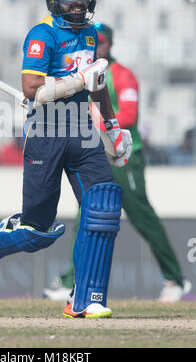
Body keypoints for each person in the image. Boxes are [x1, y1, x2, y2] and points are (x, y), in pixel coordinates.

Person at [0, 0, 132, 318]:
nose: (76, 3)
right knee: (37, 230)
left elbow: (96, 82)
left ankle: (86, 298)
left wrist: (113, 126)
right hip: (46, 133)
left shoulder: (89, 33)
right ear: (55, 0)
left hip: (83, 132)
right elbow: (31, 89)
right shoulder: (42, 35)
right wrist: (77, 79)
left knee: (102, 207)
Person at [43, 22, 192, 303]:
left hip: (125, 156)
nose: (92, 47)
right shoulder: (77, 75)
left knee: (142, 218)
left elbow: (129, 115)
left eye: (98, 42)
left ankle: (175, 279)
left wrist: (93, 120)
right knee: (85, 216)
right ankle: (72, 280)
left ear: (108, 45)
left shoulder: (122, 75)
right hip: (94, 155)